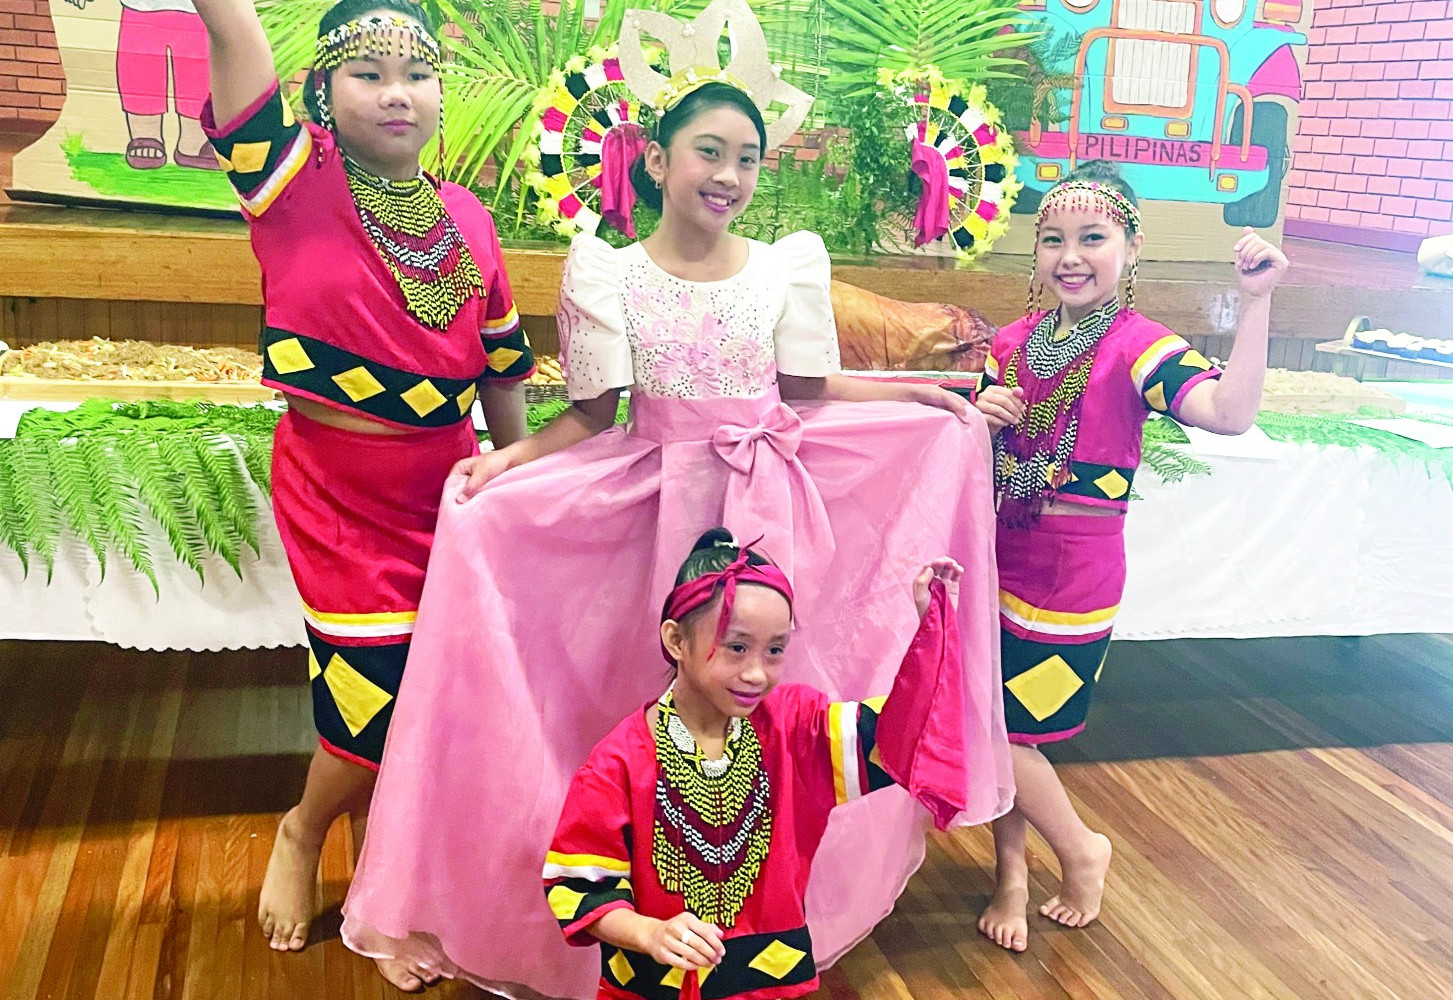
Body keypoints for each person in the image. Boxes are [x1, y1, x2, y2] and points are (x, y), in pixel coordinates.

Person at [342, 63, 1010, 999]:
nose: (729, 174)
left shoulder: (783, 267)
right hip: (652, 506)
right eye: (709, 151)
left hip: (767, 502)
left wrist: (925, 395)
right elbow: (592, 415)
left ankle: (756, 905)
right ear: (656, 159)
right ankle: (627, 902)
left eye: (748, 157)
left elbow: (807, 392)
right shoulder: (611, 272)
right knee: (634, 694)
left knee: (762, 694)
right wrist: (506, 463)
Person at [190, 0, 532, 974]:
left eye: (415, 73)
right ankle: (302, 829)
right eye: (368, 73)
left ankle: (391, 883)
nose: (396, 93)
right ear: (325, 93)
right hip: (334, 492)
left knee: (438, 698)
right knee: (371, 694)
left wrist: (508, 484)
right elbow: (234, 37)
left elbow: (502, 367)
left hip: (443, 491)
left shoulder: (467, 218)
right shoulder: (289, 178)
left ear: (439, 94)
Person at [971, 160, 1288, 952]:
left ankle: (1081, 849)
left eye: (1093, 237)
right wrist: (977, 418)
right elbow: (964, 458)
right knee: (997, 727)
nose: (1070, 255)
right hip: (996, 559)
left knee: (1012, 734)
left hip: (1073, 577)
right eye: (1053, 239)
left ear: (1131, 248)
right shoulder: (1009, 345)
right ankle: (1011, 874)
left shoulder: (1139, 347)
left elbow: (1229, 412)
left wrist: (1257, 305)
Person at [544, 530, 968, 999]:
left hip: (769, 985)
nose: (757, 673)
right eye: (737, 647)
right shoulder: (619, 762)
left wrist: (931, 628)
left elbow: (899, 736)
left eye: (775, 650)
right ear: (676, 640)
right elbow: (580, 886)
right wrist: (648, 933)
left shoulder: (795, 729)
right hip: (653, 987)